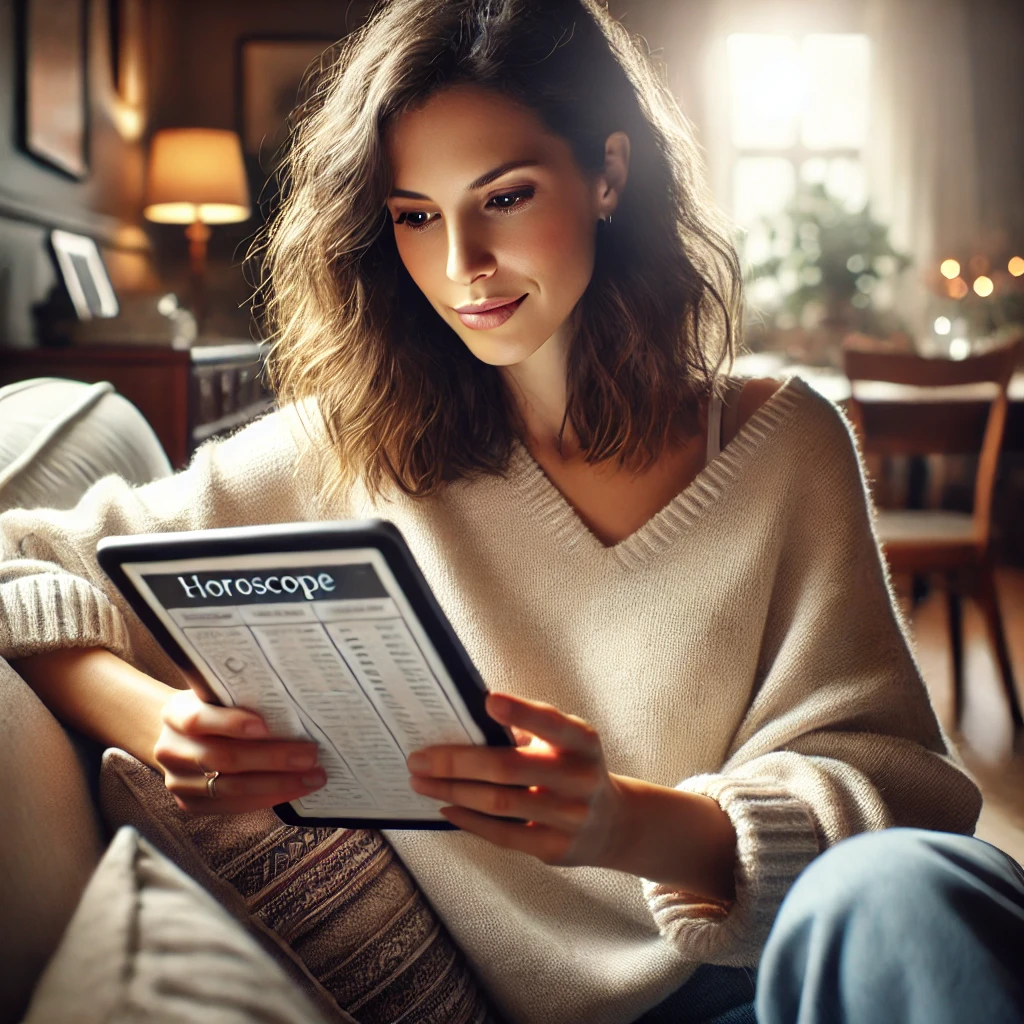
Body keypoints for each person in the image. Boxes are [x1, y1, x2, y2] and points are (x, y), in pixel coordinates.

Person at [2, 1, 1022, 1021]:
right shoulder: (349, 446)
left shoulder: (784, 440)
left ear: (608, 174)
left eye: (506, 196)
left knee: (909, 893)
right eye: (414, 215)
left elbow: (903, 799)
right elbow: (20, 558)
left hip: (772, 978)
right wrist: (160, 718)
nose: (461, 266)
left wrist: (627, 823)